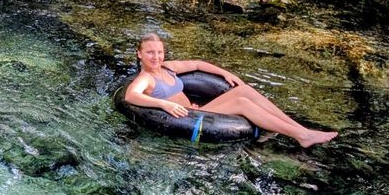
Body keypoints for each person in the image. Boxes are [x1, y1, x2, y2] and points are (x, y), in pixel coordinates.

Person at [124, 32, 338, 148]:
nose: (156, 57)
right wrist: (164, 103)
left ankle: (299, 128)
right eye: (150, 53)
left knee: (244, 90)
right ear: (139, 54)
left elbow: (198, 64)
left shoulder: (168, 68)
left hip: (199, 110)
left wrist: (227, 74)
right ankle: (301, 135)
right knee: (242, 103)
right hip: (189, 117)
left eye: (159, 52)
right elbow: (131, 95)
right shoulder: (146, 78)